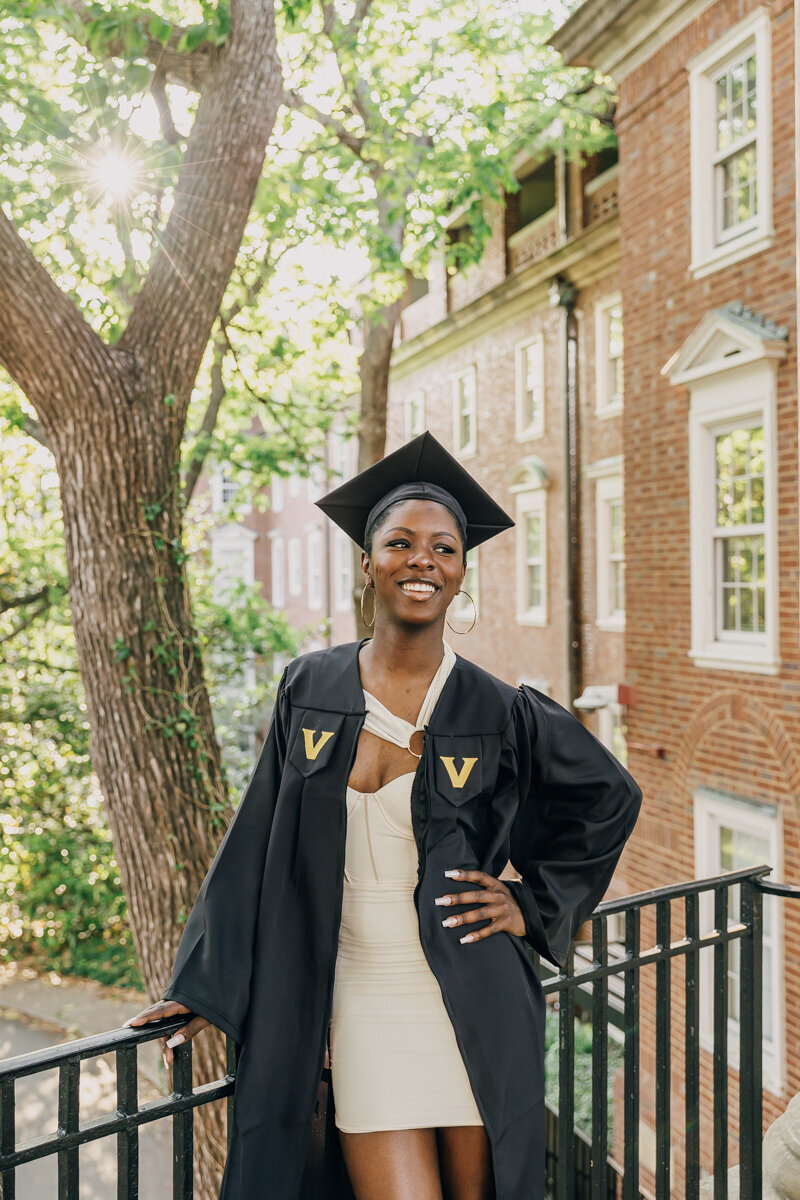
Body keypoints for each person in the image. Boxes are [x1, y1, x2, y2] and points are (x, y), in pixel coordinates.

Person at [125, 431, 642, 1200]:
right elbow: (255, 836)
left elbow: (610, 796)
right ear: (368, 562)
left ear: (462, 572)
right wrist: (204, 979)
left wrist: (530, 905)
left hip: (473, 990)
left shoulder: (498, 708)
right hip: (360, 993)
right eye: (399, 543)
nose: (422, 560)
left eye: (444, 548)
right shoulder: (311, 686)